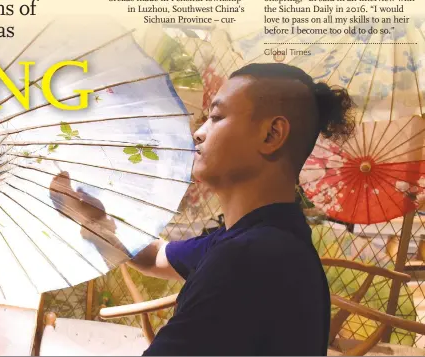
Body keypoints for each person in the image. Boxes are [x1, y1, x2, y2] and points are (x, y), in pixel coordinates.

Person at [49, 62, 356, 355]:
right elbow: (154, 256)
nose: (199, 131)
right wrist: (94, 220)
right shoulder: (265, 238)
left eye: (217, 117)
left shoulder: (246, 262)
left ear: (271, 135)